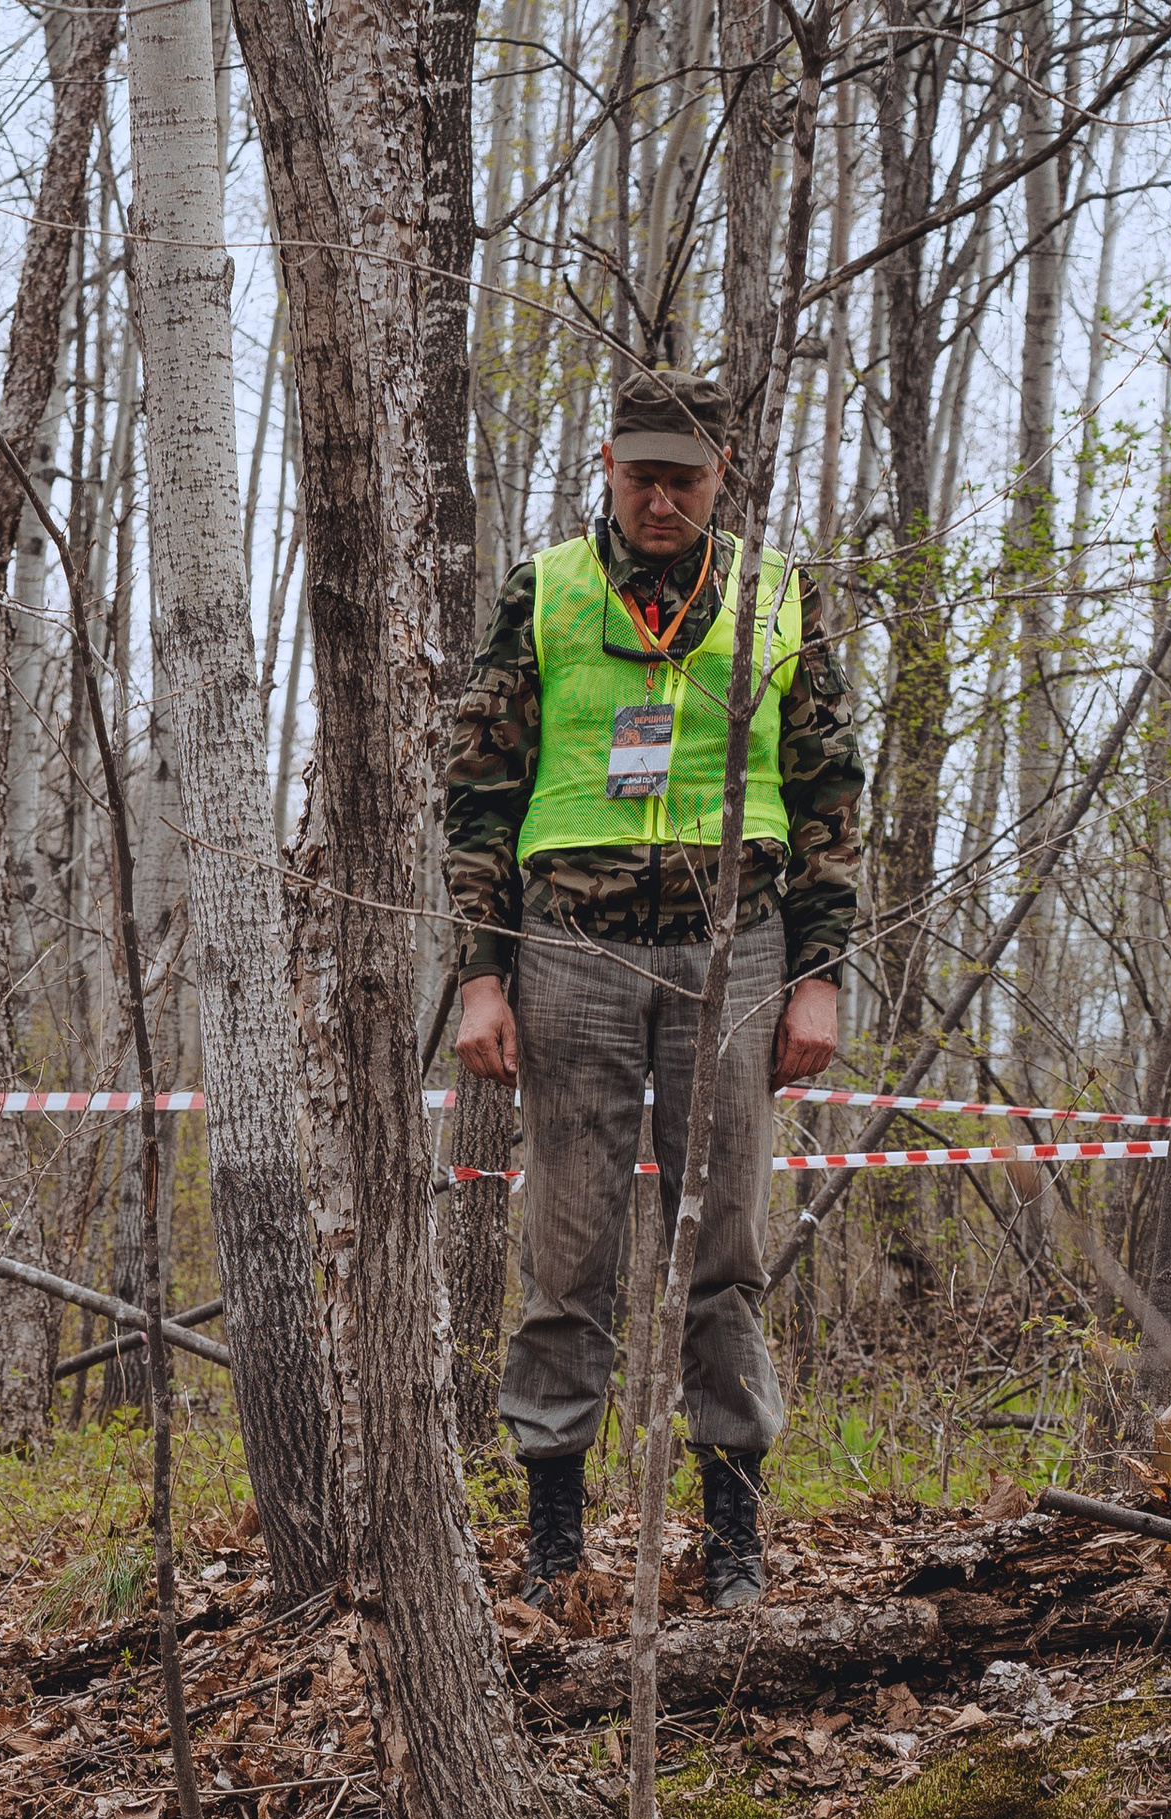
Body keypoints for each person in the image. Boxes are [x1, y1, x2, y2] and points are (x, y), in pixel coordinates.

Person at [442, 367, 866, 1610]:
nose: (662, 499)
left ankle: (731, 1540)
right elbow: (477, 789)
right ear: (608, 471)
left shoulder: (779, 595)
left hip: (732, 952)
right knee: (565, 1251)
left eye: (684, 477)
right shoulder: (545, 590)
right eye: (642, 476)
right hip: (567, 946)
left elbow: (832, 796)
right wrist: (481, 974)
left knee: (723, 1246)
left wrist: (817, 978)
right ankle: (556, 1543)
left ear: (719, 474)